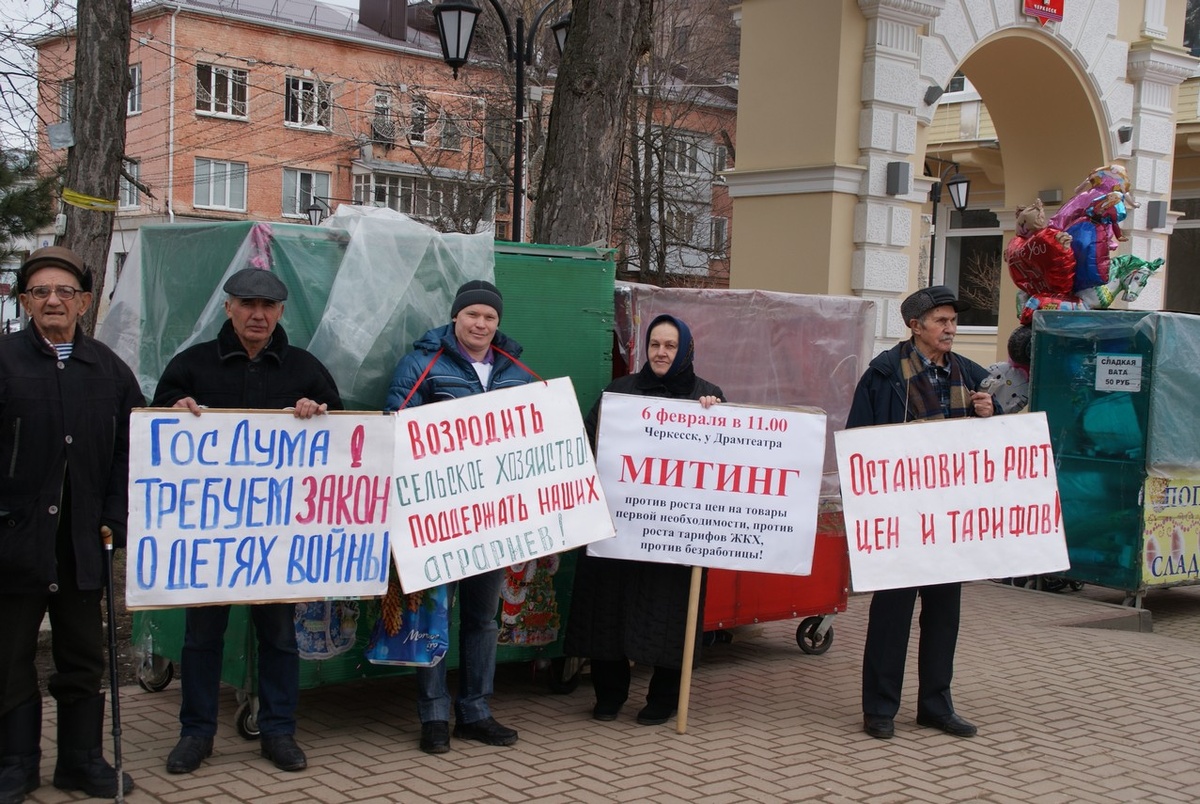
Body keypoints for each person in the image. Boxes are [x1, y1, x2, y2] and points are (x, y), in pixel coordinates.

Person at [153, 267, 342, 774]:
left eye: (268, 307)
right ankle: (196, 734)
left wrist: (318, 410)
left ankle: (279, 731)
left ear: (281, 312)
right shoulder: (191, 366)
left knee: (279, 636)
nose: (258, 315)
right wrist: (176, 410)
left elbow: (340, 436)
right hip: (209, 534)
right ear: (228, 308)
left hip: (277, 537)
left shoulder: (304, 368)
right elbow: (154, 429)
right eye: (247, 305)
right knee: (201, 637)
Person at [0, 246, 141, 802]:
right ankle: (15, 764)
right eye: (41, 292)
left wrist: (114, 518)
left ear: (84, 301)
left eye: (64, 292)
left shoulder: (107, 369)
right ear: (25, 300)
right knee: (9, 657)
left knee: (84, 656)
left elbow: (132, 453)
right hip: (15, 543)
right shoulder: (5, 361)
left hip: (85, 543)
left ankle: (82, 761)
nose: (53, 300)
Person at [384, 279, 535, 754]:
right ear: (456, 317)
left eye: (490, 317)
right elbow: (396, 426)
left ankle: (475, 711)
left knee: (482, 619)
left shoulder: (515, 370)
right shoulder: (422, 363)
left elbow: (537, 435)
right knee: (435, 615)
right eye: (473, 315)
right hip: (438, 516)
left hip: (493, 518)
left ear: (498, 323)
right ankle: (433, 716)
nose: (481, 324)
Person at [847, 285, 1000, 741]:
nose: (951, 328)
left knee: (943, 616)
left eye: (954, 321)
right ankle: (879, 709)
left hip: (948, 521)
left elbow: (998, 437)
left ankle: (936, 705)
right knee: (890, 615)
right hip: (899, 518)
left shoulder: (971, 375)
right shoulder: (882, 375)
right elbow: (858, 442)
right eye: (942, 321)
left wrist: (990, 413)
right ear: (915, 327)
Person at [564, 314, 724, 726]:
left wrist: (718, 417)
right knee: (607, 610)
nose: (661, 352)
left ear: (685, 350)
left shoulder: (707, 397)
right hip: (618, 527)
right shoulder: (619, 393)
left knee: (670, 612)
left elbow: (725, 460)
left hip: (675, 533)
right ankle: (608, 694)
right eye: (655, 344)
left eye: (670, 345)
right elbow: (587, 441)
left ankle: (663, 699)